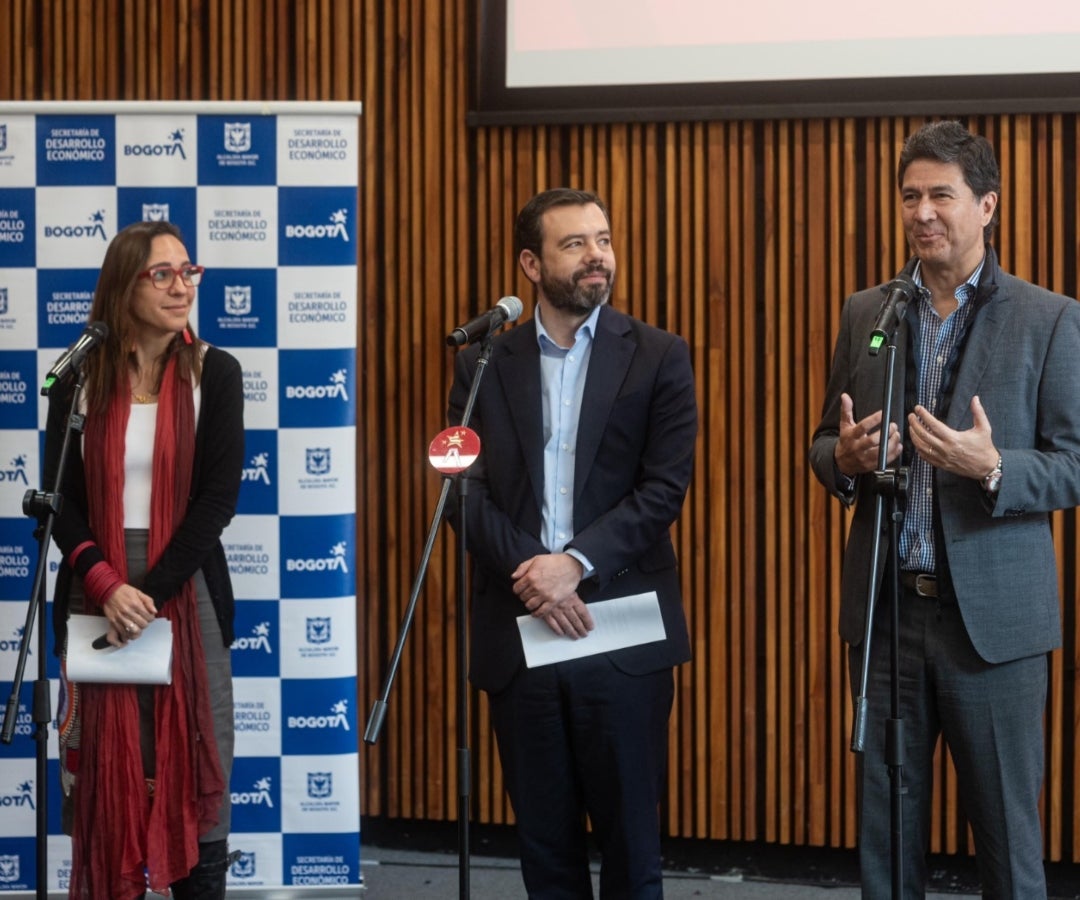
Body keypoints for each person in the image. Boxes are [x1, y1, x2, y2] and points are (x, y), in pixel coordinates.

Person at [809, 120, 1080, 898]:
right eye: (909, 196)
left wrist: (994, 467)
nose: (923, 212)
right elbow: (826, 441)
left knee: (1005, 843)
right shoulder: (870, 312)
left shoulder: (1049, 319)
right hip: (888, 616)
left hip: (990, 630)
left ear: (987, 206)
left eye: (942, 195)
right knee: (887, 846)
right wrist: (848, 460)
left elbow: (1074, 463)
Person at [447, 187, 698, 898]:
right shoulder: (484, 365)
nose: (599, 257)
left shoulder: (657, 356)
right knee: (545, 853)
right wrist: (534, 573)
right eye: (575, 244)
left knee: (631, 854)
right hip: (520, 634)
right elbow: (462, 489)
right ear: (530, 263)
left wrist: (574, 566)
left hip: (619, 634)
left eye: (605, 240)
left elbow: (663, 490)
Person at [44, 221, 244, 899]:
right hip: (95, 590)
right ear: (123, 287)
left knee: (192, 760)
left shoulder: (216, 371)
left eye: (188, 271)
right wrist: (106, 585)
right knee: (103, 773)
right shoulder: (77, 376)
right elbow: (57, 500)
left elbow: (218, 500)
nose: (181, 285)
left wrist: (147, 595)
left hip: (183, 592)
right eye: (162, 273)